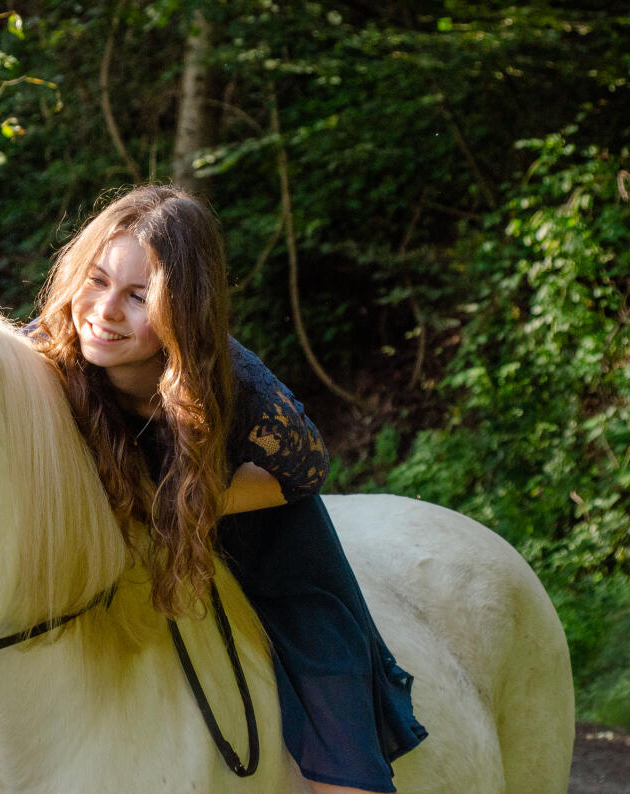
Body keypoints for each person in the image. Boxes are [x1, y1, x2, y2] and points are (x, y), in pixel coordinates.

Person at [28, 184, 426, 794]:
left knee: (344, 753)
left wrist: (177, 506)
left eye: (138, 297)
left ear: (182, 309)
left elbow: (305, 468)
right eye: (97, 279)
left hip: (265, 544)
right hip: (125, 540)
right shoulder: (47, 349)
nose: (105, 311)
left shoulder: (234, 383)